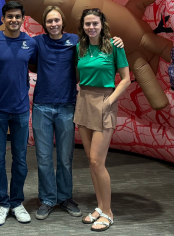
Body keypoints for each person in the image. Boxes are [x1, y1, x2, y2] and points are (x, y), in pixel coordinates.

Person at [31, 6, 124, 220]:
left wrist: (118, 41)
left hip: (67, 105)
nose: (53, 24)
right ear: (45, 24)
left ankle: (64, 197)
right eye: (49, 21)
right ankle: (47, 199)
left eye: (56, 20)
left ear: (63, 22)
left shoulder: (75, 42)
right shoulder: (38, 42)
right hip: (42, 106)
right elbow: (19, 46)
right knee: (44, 158)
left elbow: (103, 43)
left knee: (65, 157)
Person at [74, 9, 131, 232]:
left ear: (102, 24)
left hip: (104, 102)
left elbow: (126, 79)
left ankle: (108, 212)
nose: (91, 27)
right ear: (83, 26)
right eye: (87, 24)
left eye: (95, 23)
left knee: (98, 161)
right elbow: (80, 77)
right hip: (84, 101)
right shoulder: (81, 47)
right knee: (90, 160)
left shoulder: (115, 46)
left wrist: (109, 101)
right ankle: (99, 206)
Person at [0, 1, 37, 226]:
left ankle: (16, 202)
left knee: (20, 160)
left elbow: (36, 66)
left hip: (19, 110)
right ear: (3, 18)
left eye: (17, 16)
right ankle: (2, 203)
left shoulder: (30, 43)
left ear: (23, 18)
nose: (14, 20)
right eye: (10, 16)